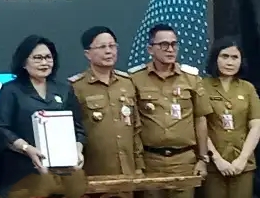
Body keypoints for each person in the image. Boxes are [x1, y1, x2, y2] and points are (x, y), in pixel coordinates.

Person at [0, 35, 86, 198]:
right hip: (23, 173)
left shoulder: (64, 90)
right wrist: (26, 148)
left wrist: (77, 150)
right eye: (38, 58)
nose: (44, 62)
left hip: (65, 173)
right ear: (23, 62)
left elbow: (78, 128)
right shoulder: (11, 90)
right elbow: (1, 128)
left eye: (48, 57)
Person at [129, 24, 213, 198]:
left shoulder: (191, 78)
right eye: (164, 45)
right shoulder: (135, 79)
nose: (170, 49)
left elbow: (200, 119)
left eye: (174, 44)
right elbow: (132, 125)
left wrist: (203, 159)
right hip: (151, 161)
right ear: (150, 49)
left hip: (184, 161)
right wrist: (137, 165)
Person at [68, 26, 144, 176]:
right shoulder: (76, 87)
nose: (109, 51)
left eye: (112, 46)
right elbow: (74, 132)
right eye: (102, 47)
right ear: (88, 54)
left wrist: (139, 166)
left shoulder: (127, 82)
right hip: (94, 171)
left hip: (128, 170)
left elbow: (136, 128)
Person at [202, 37, 260, 198]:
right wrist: (218, 160)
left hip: (243, 164)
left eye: (235, 57)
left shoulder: (247, 88)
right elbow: (199, 126)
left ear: (241, 61)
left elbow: (256, 126)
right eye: (224, 56)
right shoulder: (202, 86)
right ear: (215, 58)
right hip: (213, 165)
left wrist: (242, 159)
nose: (229, 62)